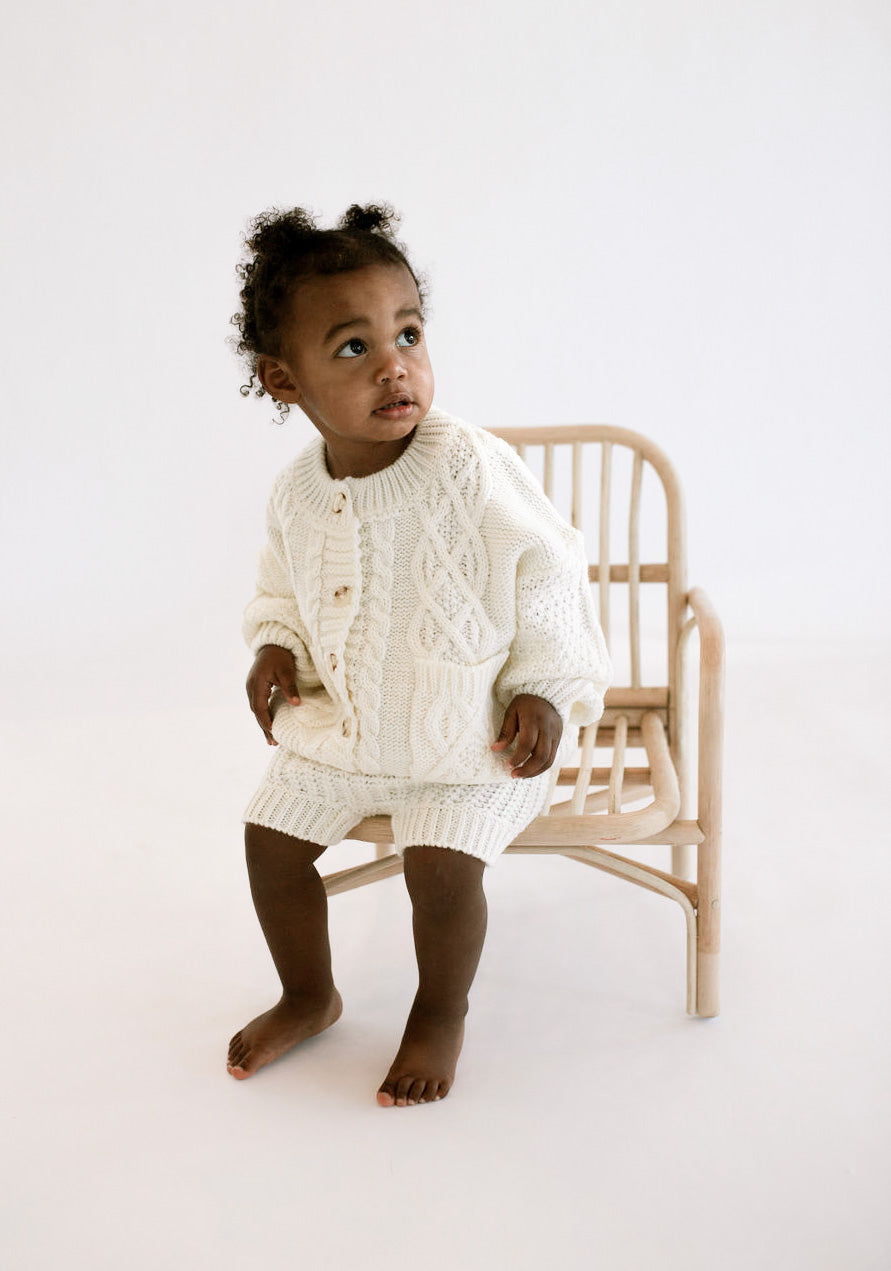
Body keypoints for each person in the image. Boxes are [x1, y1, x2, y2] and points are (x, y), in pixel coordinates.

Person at [226, 204, 612, 1106]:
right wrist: (274, 642)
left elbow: (549, 571)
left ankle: (439, 1010)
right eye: (353, 347)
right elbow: (281, 588)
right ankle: (308, 993)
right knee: (268, 844)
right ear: (284, 378)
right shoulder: (295, 492)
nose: (394, 364)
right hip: (347, 736)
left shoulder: (468, 466)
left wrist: (542, 688)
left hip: (469, 740)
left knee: (438, 871)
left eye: (408, 333)